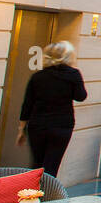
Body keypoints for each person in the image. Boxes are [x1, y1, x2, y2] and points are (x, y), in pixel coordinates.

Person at [17, 41, 87, 177]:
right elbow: (81, 96)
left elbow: (27, 105)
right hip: (62, 125)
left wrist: (21, 129)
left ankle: (33, 194)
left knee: (37, 163)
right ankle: (48, 195)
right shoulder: (73, 74)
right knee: (52, 165)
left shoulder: (38, 77)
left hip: (38, 125)